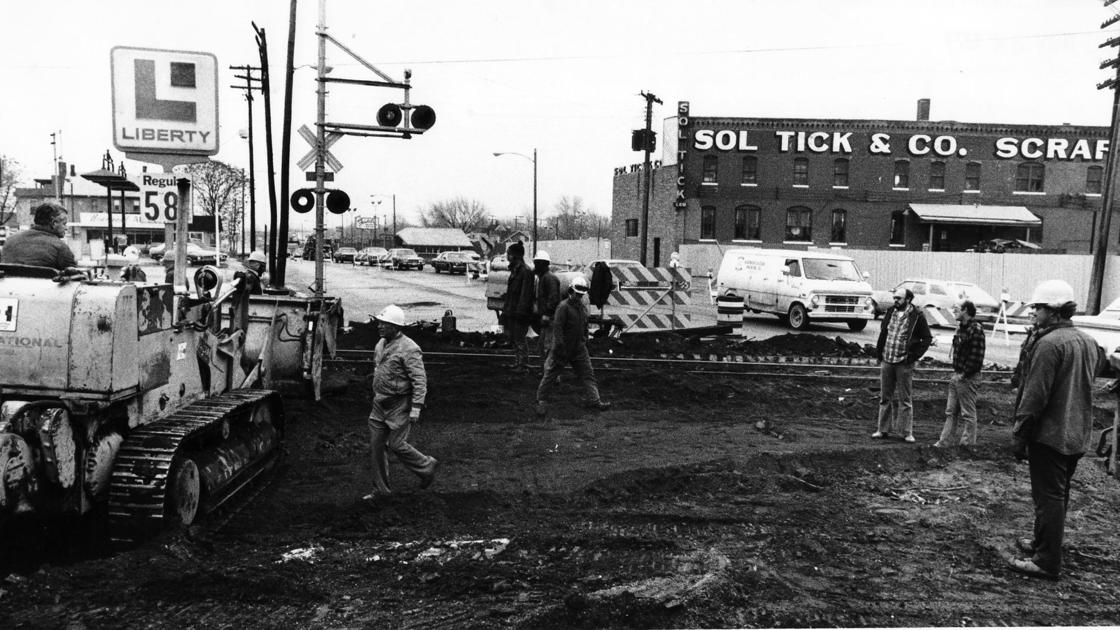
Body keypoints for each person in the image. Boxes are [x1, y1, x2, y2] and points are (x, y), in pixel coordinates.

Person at [1007, 280, 1105, 580]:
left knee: (1048, 497)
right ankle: (1042, 545)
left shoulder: (1049, 344)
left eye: (1038, 308)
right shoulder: (1087, 341)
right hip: (1076, 433)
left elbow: (1035, 396)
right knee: (1057, 495)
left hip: (1049, 435)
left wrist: (1020, 435)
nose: (1034, 313)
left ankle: (1046, 561)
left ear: (1054, 311)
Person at [365, 304, 438, 499]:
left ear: (395, 326)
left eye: (384, 323)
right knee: (376, 447)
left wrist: (416, 407)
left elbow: (419, 381)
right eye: (379, 322)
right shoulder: (380, 344)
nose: (379, 326)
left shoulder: (410, 349)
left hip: (400, 405)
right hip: (380, 404)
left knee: (397, 445)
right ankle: (381, 491)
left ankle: (426, 465)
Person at [535, 277, 611, 416]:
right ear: (571, 291)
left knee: (588, 374)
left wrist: (585, 341)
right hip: (562, 349)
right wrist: (559, 347)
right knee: (550, 375)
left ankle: (594, 400)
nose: (579, 297)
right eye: (577, 294)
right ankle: (541, 401)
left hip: (579, 348)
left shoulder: (581, 308)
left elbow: (584, 326)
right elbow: (557, 329)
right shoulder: (563, 307)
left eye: (582, 295)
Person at [873, 287, 932, 442]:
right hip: (887, 359)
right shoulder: (890, 312)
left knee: (905, 399)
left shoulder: (917, 316)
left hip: (903, 362)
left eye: (899, 298)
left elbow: (926, 338)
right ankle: (882, 429)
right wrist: (879, 353)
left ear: (907, 299)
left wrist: (913, 356)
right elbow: (883, 332)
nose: (895, 301)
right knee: (885, 397)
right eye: (894, 298)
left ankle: (906, 432)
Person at [935, 300, 986, 447]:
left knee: (968, 414)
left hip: (967, 378)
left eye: (957, 309)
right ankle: (944, 442)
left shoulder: (976, 329)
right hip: (957, 375)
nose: (954, 311)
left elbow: (977, 357)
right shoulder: (961, 328)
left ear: (966, 311)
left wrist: (964, 374)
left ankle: (967, 446)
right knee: (950, 412)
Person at [0, 201, 76, 270]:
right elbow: (74, 277)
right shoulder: (60, 247)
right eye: (64, 224)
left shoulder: (10, 240)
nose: (66, 228)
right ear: (54, 223)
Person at [501, 241, 534, 372]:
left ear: (514, 256)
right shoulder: (515, 270)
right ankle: (518, 362)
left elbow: (525, 294)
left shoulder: (525, 271)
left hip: (520, 312)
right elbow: (515, 291)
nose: (507, 256)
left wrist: (520, 313)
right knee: (514, 338)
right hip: (512, 310)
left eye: (508, 254)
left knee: (520, 338)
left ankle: (523, 365)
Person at [532, 249, 562, 368]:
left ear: (543, 264)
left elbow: (553, 298)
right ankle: (547, 371)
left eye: (537, 263)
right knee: (542, 346)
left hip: (552, 319)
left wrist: (547, 314)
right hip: (548, 318)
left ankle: (551, 373)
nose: (535, 266)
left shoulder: (549, 278)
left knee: (548, 346)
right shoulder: (543, 277)